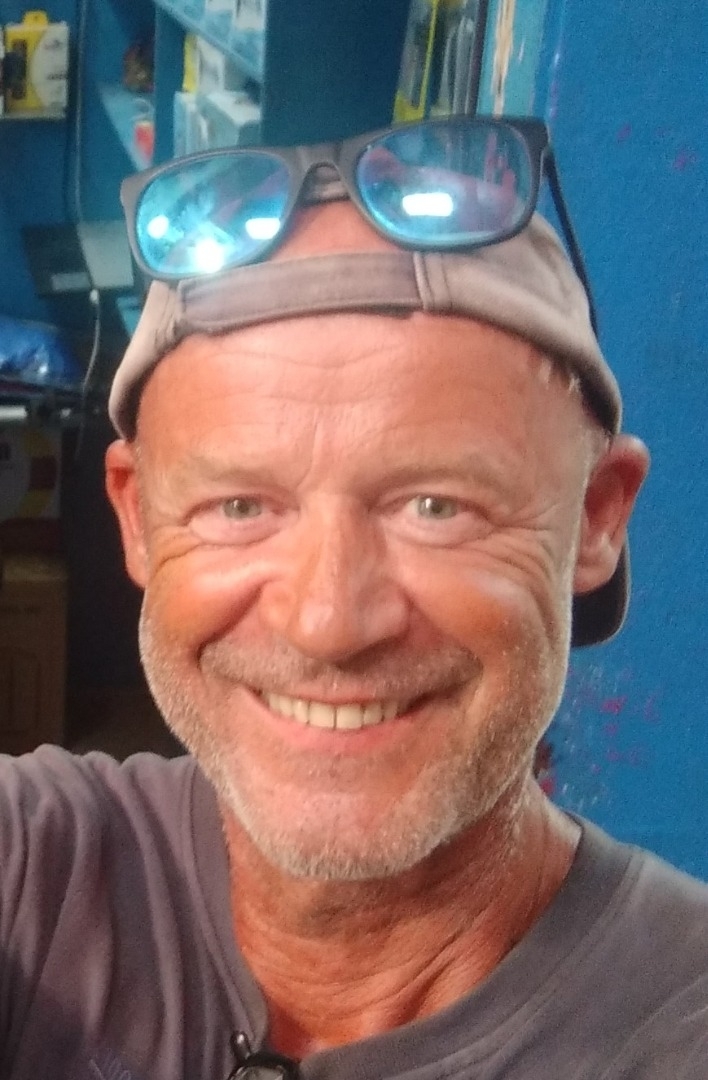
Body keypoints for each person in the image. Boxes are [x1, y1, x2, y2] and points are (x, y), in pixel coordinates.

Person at [1, 116, 706, 1080]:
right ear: (137, 519)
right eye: (240, 506)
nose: (327, 623)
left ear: (595, 517)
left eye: (436, 507)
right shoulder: (30, 873)